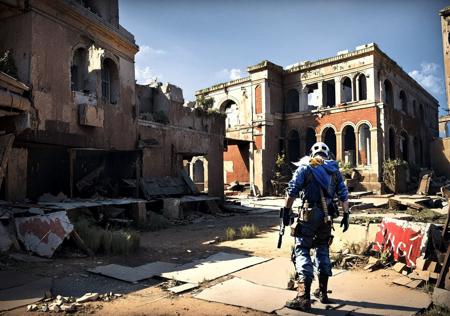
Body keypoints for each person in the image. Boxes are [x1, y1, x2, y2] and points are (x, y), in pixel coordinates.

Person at [284, 141, 350, 311]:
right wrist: (346, 215)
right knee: (322, 248)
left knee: (301, 249)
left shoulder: (305, 167)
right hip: (327, 217)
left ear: (312, 154)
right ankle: (322, 292)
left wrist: (286, 210)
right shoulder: (334, 171)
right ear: (328, 155)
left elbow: (292, 190)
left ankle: (303, 296)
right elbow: (343, 194)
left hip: (308, 215)